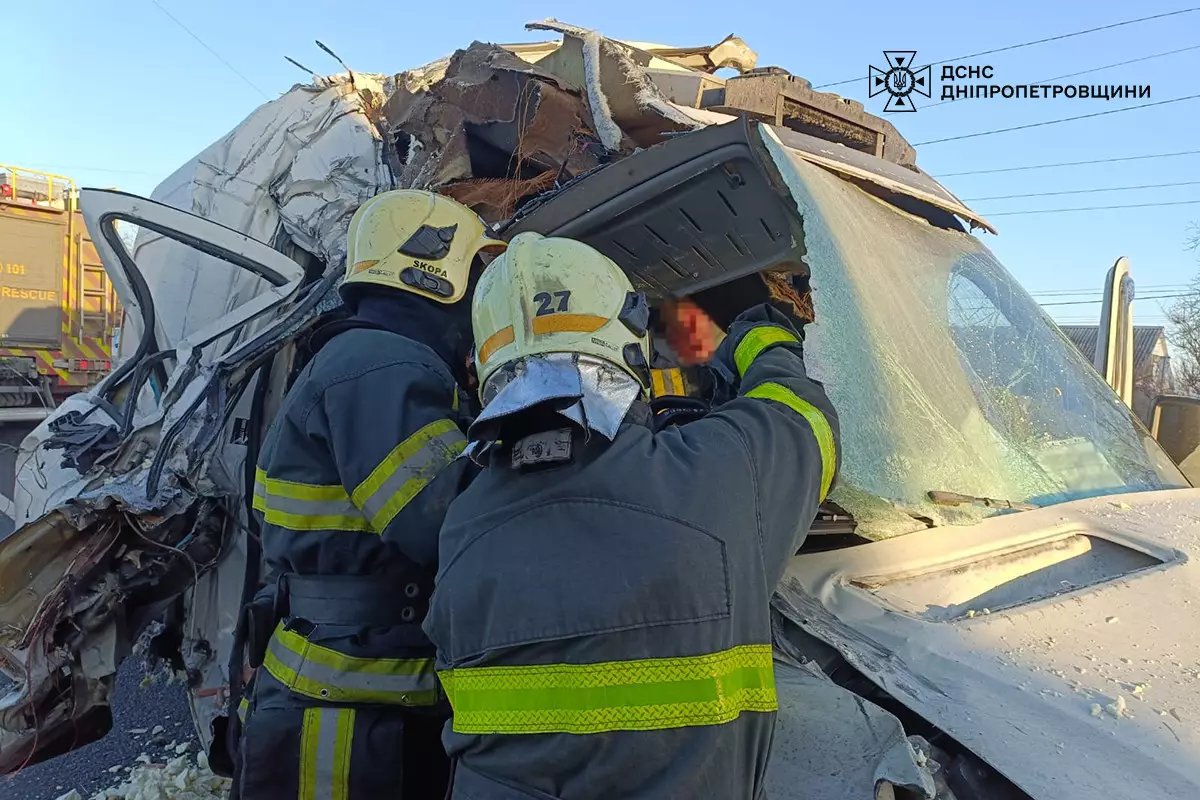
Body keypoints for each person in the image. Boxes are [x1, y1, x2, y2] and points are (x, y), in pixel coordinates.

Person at [424, 232, 841, 799]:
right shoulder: (716, 480)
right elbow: (805, 417)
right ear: (628, 343)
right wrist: (761, 337)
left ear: (483, 367)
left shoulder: (460, 525)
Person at [237, 189, 506, 799]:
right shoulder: (384, 364)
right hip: (349, 716)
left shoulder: (366, 356)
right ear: (437, 273)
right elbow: (445, 522)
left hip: (352, 691)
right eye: (475, 275)